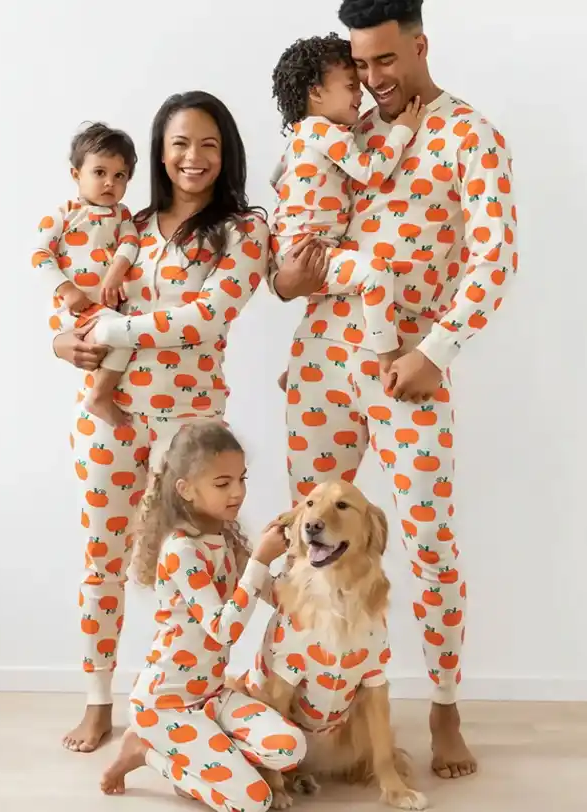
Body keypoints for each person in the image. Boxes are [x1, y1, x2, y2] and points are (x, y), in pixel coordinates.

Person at [272, 0, 517, 780]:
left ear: (419, 44)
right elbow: (291, 251)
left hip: (408, 368)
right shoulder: (349, 127)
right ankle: (306, 710)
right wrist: (286, 280)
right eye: (360, 65)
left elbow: (495, 259)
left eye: (386, 62)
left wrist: (437, 351)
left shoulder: (469, 134)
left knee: (430, 541)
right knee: (305, 545)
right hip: (320, 361)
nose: (373, 79)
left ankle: (444, 710)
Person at [50, 91, 272, 753]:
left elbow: (207, 318)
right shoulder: (131, 221)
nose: (192, 157)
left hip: (192, 429)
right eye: (179, 143)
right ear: (159, 151)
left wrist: (116, 328)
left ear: (226, 150)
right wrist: (63, 339)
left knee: (201, 565)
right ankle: (99, 702)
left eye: (207, 143)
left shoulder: (246, 229)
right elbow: (83, 293)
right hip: (112, 422)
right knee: (103, 562)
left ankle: (194, 695)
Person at [100, 421, 306, 811]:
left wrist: (293, 551)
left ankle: (205, 753)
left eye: (241, 479)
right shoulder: (182, 549)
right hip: (166, 704)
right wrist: (259, 559)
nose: (238, 492)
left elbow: (275, 595)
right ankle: (147, 753)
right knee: (253, 802)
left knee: (291, 749)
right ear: (186, 489)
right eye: (223, 482)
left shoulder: (226, 538)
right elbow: (222, 631)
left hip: (212, 695)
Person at [270, 33, 424, 372]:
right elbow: (371, 171)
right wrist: (402, 130)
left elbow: (276, 177)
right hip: (310, 249)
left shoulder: (301, 134)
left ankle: (298, 367)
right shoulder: (326, 132)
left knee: (329, 301)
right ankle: (388, 357)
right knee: (376, 273)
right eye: (351, 85)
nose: (360, 93)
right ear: (316, 92)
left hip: (292, 245)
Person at [33, 123, 140, 427]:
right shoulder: (64, 214)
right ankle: (99, 397)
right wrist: (68, 290)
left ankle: (102, 393)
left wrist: (116, 272)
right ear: (76, 174)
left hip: (102, 311)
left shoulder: (123, 216)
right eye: (99, 172)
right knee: (123, 332)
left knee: (122, 334)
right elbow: (39, 255)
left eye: (120, 176)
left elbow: (130, 242)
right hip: (71, 309)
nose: (110, 183)